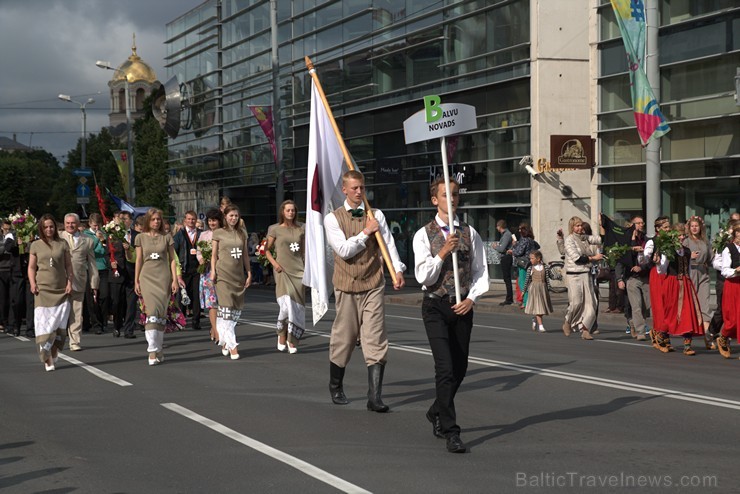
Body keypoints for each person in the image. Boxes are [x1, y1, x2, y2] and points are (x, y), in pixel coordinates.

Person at [413, 177, 488, 453]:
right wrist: (443, 251)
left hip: (462, 306)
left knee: (460, 368)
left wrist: (472, 298)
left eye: (455, 194)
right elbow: (423, 275)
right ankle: (450, 430)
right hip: (435, 305)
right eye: (446, 195)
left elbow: (480, 271)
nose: (452, 199)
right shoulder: (424, 234)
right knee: (444, 367)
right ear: (435, 200)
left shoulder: (470, 232)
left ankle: (436, 409)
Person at [324, 170, 406, 413]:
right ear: (345, 189)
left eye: (362, 187)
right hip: (347, 286)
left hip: (372, 283)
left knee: (375, 338)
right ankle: (336, 385)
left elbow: (388, 244)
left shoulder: (376, 214)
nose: (360, 192)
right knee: (344, 338)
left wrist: (397, 269)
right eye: (355, 188)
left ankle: (375, 397)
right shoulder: (333, 219)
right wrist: (366, 232)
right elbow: (343, 250)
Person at [28, 214, 73, 372]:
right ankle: (46, 357)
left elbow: (68, 266)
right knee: (44, 325)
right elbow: (32, 267)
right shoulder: (35, 245)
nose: (49, 229)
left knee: (59, 324)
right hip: (43, 290)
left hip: (61, 290)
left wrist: (69, 282)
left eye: (51, 226)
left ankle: (54, 351)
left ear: (55, 227)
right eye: (46, 227)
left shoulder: (63, 243)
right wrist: (33, 284)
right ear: (41, 228)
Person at [651, 223, 704, 355]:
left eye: (683, 235)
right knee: (671, 312)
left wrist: (690, 282)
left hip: (685, 283)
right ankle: (661, 334)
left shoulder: (686, 250)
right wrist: (658, 262)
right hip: (672, 283)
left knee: (688, 312)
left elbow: (689, 267)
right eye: (679, 235)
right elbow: (662, 269)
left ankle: (687, 345)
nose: (681, 237)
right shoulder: (668, 250)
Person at [134, 208, 178, 365]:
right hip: (147, 278)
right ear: (148, 221)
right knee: (151, 313)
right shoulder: (140, 237)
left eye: (158, 219)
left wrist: (175, 280)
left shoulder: (167, 238)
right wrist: (136, 280)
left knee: (160, 315)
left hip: (163, 277)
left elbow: (172, 259)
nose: (156, 222)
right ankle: (152, 350)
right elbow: (138, 260)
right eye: (153, 219)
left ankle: (159, 347)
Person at [210, 204, 251, 360]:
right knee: (226, 308)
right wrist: (213, 271)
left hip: (238, 276)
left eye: (236, 215)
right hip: (223, 276)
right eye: (231, 215)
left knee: (233, 311)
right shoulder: (218, 233)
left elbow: (245, 256)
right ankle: (233, 346)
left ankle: (225, 341)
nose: (233, 218)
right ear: (225, 217)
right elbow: (214, 255)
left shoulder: (242, 234)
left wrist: (249, 273)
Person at [265, 200, 305, 354]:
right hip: (282, 271)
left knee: (296, 308)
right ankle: (282, 334)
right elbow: (266, 250)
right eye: (288, 210)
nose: (290, 213)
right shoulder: (275, 229)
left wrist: (307, 269)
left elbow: (303, 252)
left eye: (293, 210)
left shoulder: (301, 229)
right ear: (283, 212)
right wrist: (274, 264)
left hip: (298, 271)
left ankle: (292, 340)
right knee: (286, 306)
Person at [60, 213, 99, 351]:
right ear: (64, 224)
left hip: (79, 280)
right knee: (59, 312)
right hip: (60, 281)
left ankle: (75, 341)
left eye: (73, 223)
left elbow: (92, 264)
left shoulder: (88, 240)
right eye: (68, 223)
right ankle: (56, 339)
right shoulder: (58, 237)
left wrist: (94, 284)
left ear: (78, 224)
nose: (70, 225)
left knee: (76, 312)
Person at [562, 216, 603, 340]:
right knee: (577, 302)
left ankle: (586, 330)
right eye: (577, 226)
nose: (580, 228)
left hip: (586, 273)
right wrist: (594, 258)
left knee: (592, 303)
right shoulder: (569, 240)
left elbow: (600, 239)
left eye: (581, 225)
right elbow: (577, 258)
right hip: (574, 275)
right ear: (572, 227)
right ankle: (568, 322)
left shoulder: (585, 238)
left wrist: (603, 226)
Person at [615, 215, 651, 341]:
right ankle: (640, 331)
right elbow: (620, 260)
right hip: (631, 278)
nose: (641, 225)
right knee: (636, 305)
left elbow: (651, 258)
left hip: (645, 276)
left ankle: (635, 323)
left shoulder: (646, 239)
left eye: (642, 222)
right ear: (632, 225)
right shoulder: (625, 240)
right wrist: (619, 279)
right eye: (638, 223)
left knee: (646, 307)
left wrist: (643, 267)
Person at [684, 216, 712, 339]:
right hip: (691, 271)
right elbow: (679, 258)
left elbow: (711, 258)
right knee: (691, 302)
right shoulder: (686, 241)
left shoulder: (705, 241)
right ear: (689, 228)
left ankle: (707, 334)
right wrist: (689, 256)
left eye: (696, 226)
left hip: (703, 271)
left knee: (705, 303)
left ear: (700, 227)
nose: (694, 228)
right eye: (692, 226)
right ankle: (688, 329)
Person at [173, 210, 202, 329]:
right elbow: (174, 252)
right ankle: (181, 321)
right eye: (189, 219)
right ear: (185, 220)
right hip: (184, 269)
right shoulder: (179, 234)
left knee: (196, 296)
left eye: (193, 219)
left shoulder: (201, 234)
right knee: (182, 296)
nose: (191, 221)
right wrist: (176, 272)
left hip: (197, 270)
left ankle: (196, 322)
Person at [197, 208, 223, 343]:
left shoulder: (225, 234)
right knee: (212, 303)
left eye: (215, 220)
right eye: (210, 221)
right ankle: (216, 331)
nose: (212, 223)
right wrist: (201, 259)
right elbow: (199, 251)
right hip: (208, 273)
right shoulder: (204, 235)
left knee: (222, 303)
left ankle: (215, 328)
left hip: (222, 271)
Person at [644, 216, 671, 348]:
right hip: (657, 274)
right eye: (665, 227)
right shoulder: (652, 242)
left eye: (668, 227)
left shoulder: (672, 240)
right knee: (659, 305)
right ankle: (660, 333)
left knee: (669, 305)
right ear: (658, 229)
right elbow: (646, 258)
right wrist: (652, 259)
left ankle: (663, 333)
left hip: (669, 274)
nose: (668, 229)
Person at [716, 221, 740, 358]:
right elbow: (724, 270)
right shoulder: (728, 249)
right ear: (735, 234)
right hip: (732, 284)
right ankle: (724, 336)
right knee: (732, 320)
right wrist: (736, 271)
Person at [82, 213, 109, 335]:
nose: (97, 228)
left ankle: (104, 321)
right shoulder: (86, 235)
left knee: (104, 295)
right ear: (90, 224)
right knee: (92, 297)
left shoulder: (104, 233)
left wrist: (103, 240)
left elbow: (105, 250)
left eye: (98, 226)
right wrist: (98, 240)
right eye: (94, 226)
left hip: (102, 267)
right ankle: (95, 323)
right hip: (91, 267)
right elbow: (93, 250)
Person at [523, 250, 561, 332]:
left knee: (542, 308)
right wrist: (524, 291)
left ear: (538, 259)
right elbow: (527, 280)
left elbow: (551, 276)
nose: (530, 260)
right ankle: (541, 326)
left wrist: (558, 276)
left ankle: (535, 318)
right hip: (534, 289)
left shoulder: (545, 267)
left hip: (543, 289)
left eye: (532, 258)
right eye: (530, 258)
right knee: (538, 307)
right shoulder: (530, 268)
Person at [119, 211, 138, 339]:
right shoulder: (113, 234)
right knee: (117, 302)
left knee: (131, 302)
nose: (122, 221)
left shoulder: (137, 235)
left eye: (125, 219)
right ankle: (116, 325)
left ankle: (129, 329)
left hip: (132, 272)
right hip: (118, 272)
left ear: (130, 221)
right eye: (120, 219)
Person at [511, 223, 539, 309]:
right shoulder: (531, 239)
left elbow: (518, 252)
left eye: (521, 229)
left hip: (523, 263)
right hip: (530, 263)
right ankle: (528, 301)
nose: (519, 231)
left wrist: (513, 248)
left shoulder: (524, 239)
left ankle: (526, 302)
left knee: (523, 283)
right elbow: (538, 246)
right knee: (527, 282)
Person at [493, 219, 514, 306]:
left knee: (507, 279)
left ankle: (509, 299)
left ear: (499, 227)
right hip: (506, 257)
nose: (496, 228)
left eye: (497, 226)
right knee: (507, 278)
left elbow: (502, 249)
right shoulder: (508, 234)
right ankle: (509, 298)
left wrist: (495, 247)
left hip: (506, 258)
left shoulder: (506, 235)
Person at [0, 220, 13, 332]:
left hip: (11, 269)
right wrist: (6, 243)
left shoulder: (12, 237)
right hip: (1, 270)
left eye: (9, 229)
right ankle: (3, 321)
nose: (7, 231)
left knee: (12, 297)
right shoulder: (3, 239)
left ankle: (10, 321)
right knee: (2, 297)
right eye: (5, 229)